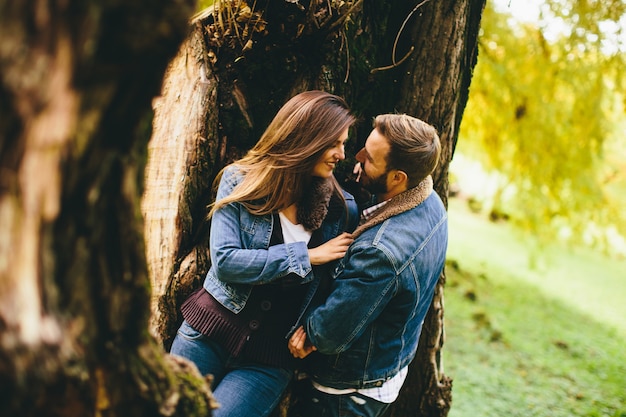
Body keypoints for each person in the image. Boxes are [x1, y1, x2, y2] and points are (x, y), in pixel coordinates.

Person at [169, 90, 359, 417]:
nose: (342, 154)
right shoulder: (241, 180)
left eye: (344, 144)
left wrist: (314, 331)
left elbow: (334, 285)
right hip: (206, 335)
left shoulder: (339, 210)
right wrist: (306, 257)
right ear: (308, 138)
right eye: (335, 143)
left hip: (268, 361)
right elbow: (227, 262)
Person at [288, 113, 448, 417]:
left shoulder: (381, 252)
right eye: (363, 147)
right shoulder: (430, 201)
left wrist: (310, 334)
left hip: (345, 394)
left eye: (371, 159)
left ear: (398, 178)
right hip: (386, 366)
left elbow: (329, 333)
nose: (356, 158)